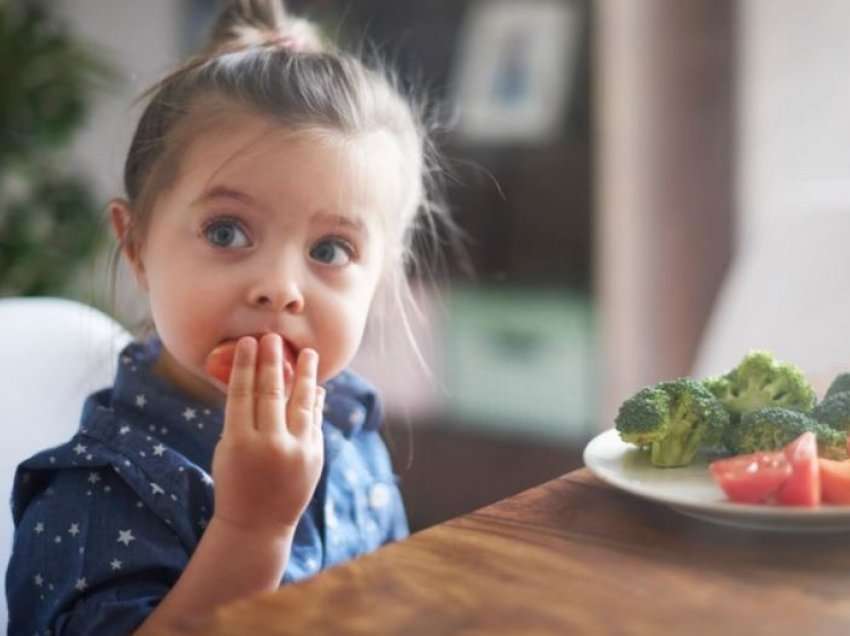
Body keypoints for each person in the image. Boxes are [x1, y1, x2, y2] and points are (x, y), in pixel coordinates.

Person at [5, 0, 453, 632]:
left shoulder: (349, 427)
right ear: (136, 247)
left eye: (330, 250)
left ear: (379, 278)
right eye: (226, 232)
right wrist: (253, 527)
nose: (279, 289)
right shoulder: (96, 491)